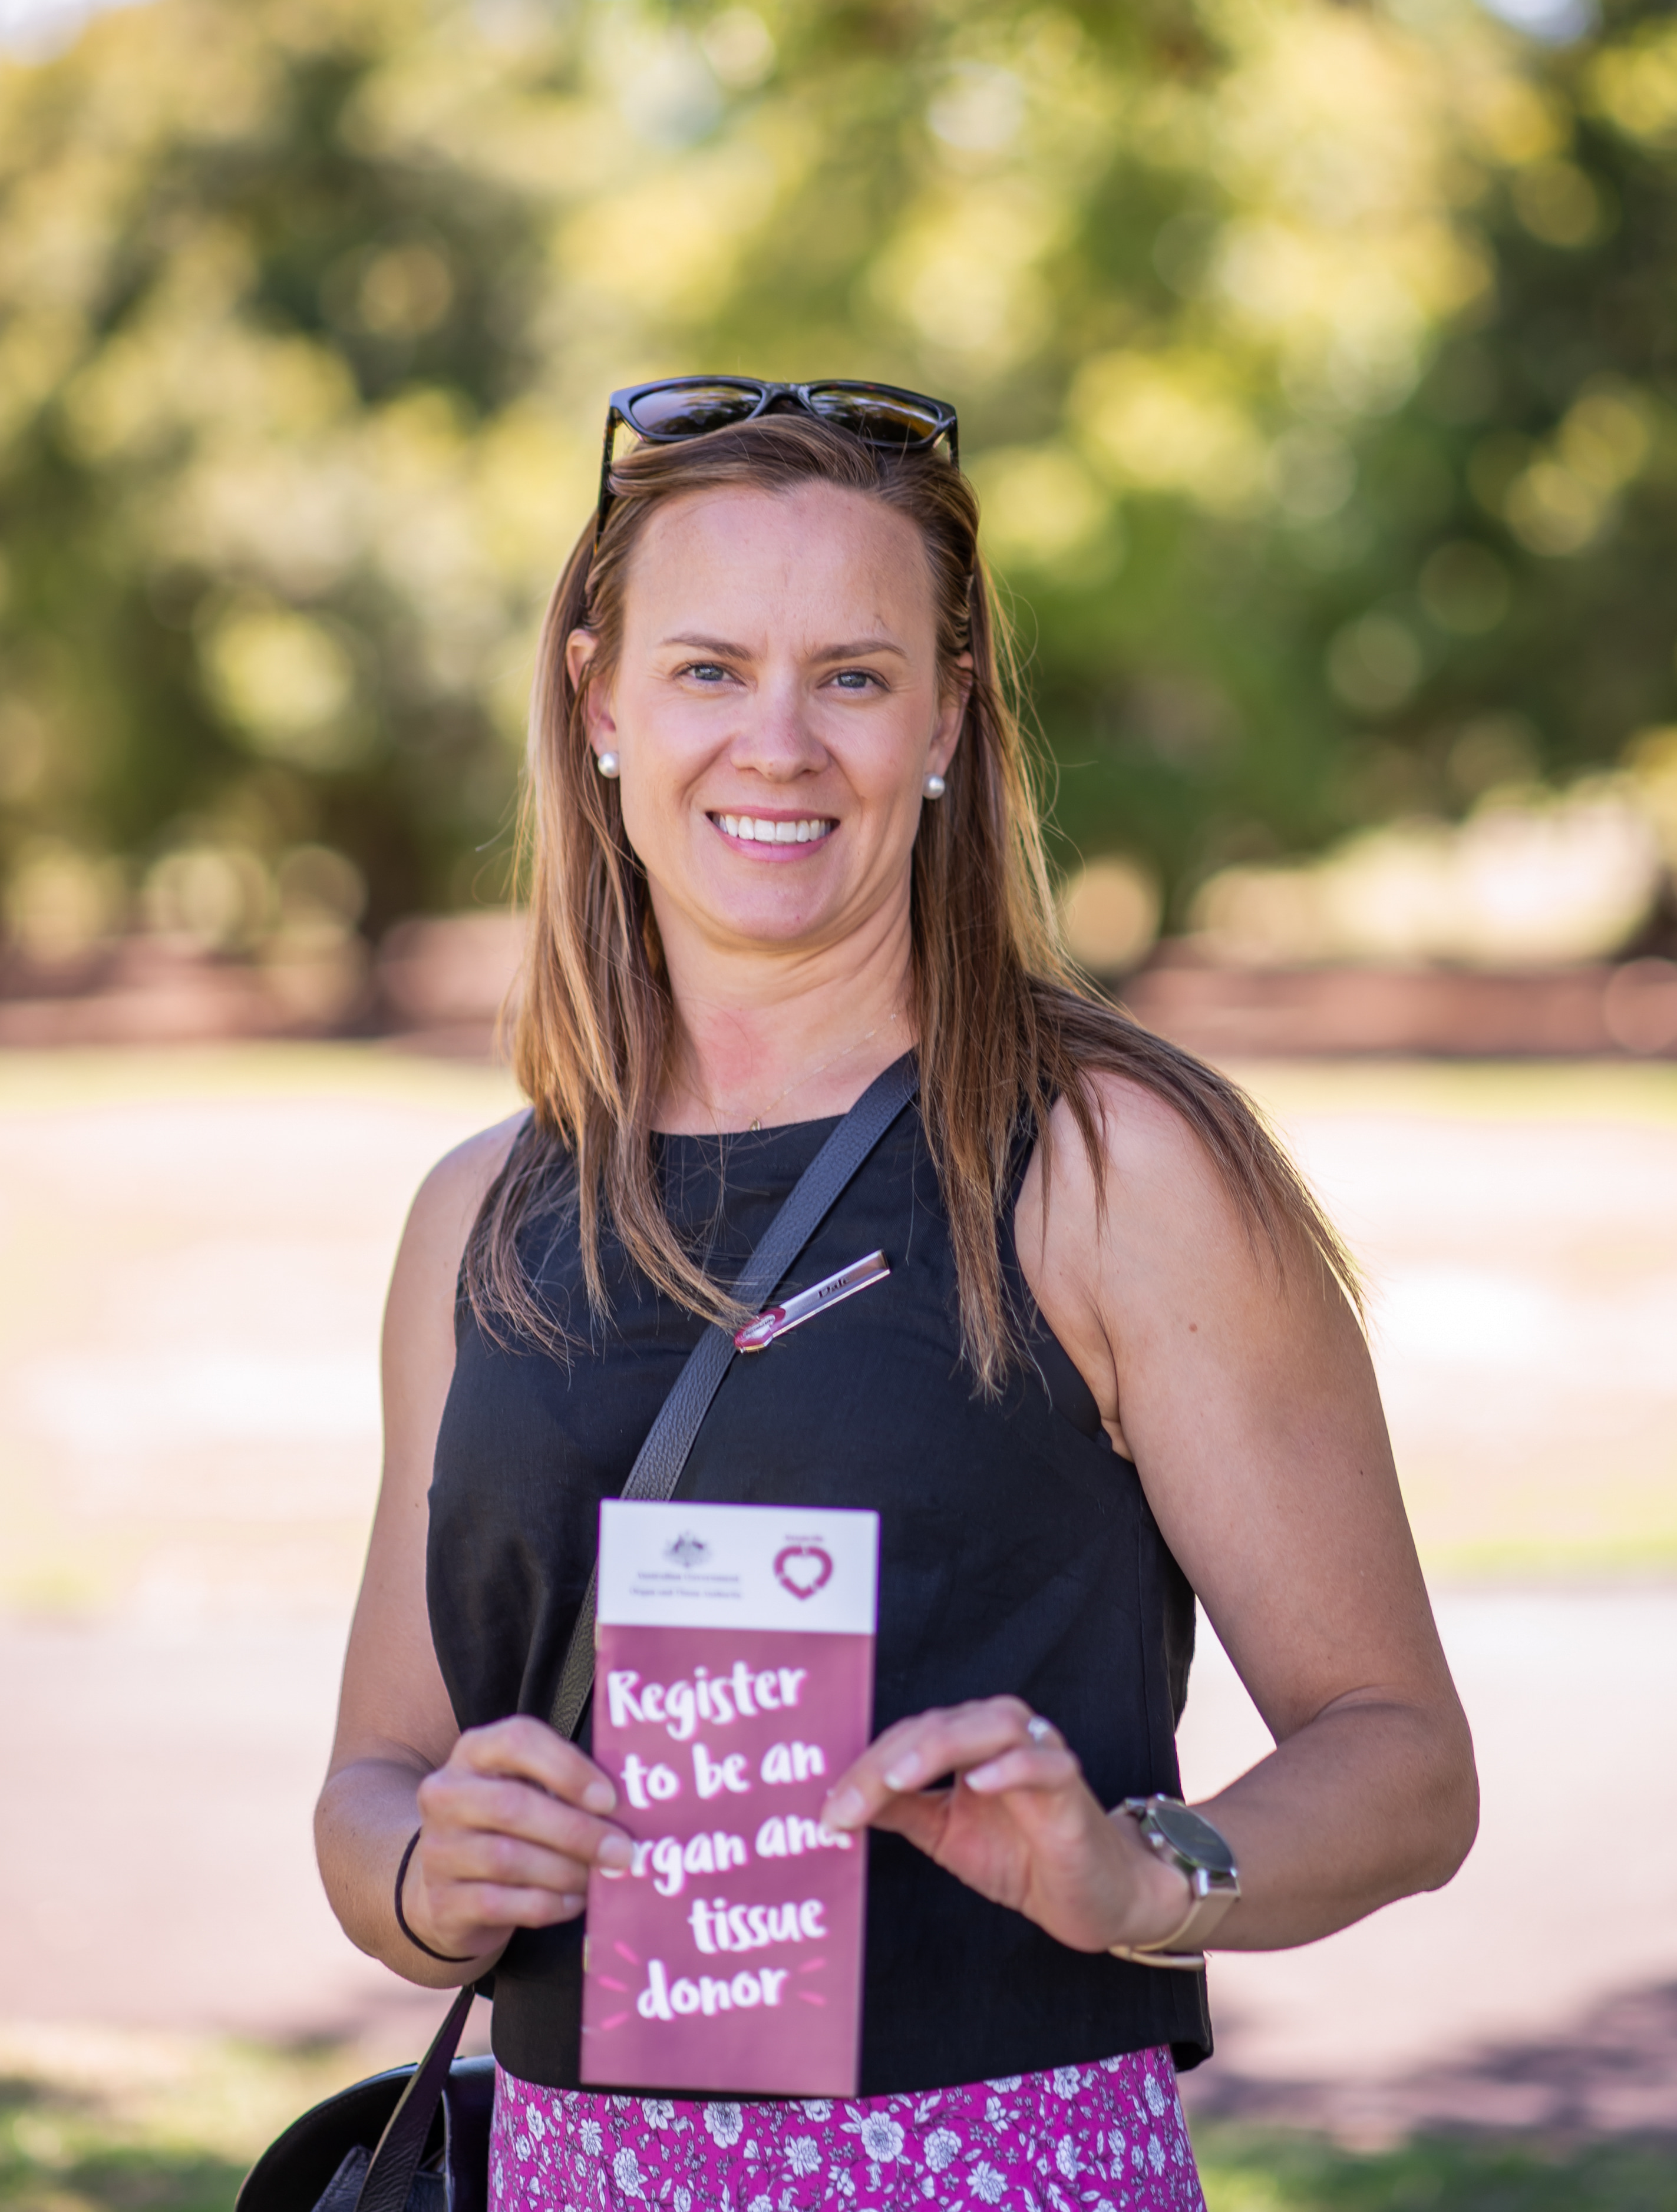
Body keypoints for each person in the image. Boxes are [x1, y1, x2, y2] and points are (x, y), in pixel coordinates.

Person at [315, 376, 1477, 2212]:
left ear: (948, 719)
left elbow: (1406, 1767)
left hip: (1001, 2176)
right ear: (599, 699)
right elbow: (375, 1783)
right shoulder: (477, 1217)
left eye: (852, 675)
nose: (777, 743)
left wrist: (1139, 1871)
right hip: (565, 2176)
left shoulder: (1114, 1167)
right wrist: (419, 1872)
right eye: (709, 670)